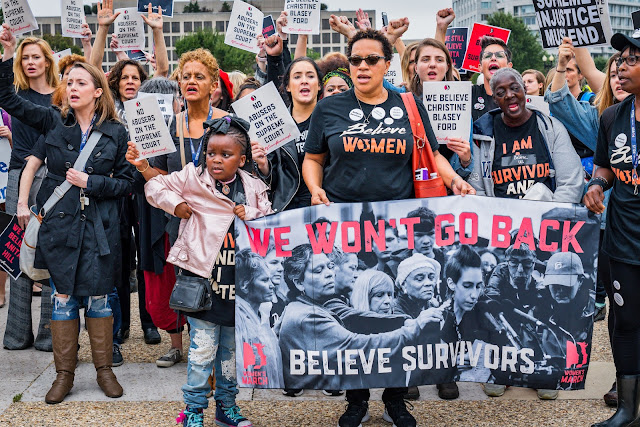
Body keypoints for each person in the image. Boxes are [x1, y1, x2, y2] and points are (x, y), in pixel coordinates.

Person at [0, 35, 132, 402]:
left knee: (100, 299)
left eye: (80, 83)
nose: (72, 88)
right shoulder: (53, 121)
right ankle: (64, 376)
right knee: (62, 298)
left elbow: (127, 183)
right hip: (59, 226)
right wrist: (7, 54)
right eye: (69, 82)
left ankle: (104, 371)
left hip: (101, 228)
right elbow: (8, 99)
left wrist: (93, 182)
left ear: (97, 92)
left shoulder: (116, 132)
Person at [145, 116, 270, 427]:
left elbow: (270, 220)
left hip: (239, 288)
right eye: (211, 153)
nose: (216, 160)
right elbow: (154, 185)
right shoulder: (192, 177)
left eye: (226, 155)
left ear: (242, 159)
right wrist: (176, 205)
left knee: (230, 353)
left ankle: (226, 406)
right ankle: (193, 410)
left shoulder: (254, 186)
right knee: (202, 351)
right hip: (202, 285)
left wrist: (251, 212)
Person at [126, 47, 229, 368]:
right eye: (186, 76)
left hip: (219, 221)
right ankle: (180, 346)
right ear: (179, 83)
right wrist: (143, 165)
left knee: (218, 285)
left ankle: (215, 348)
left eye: (199, 76)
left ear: (213, 85)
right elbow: (159, 176)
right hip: (180, 219)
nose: (192, 81)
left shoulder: (229, 124)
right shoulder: (169, 126)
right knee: (183, 283)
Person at [278, 243, 444, 427]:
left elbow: (352, 317)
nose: (329, 273)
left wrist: (404, 322)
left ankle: (391, 401)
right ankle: (359, 403)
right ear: (299, 282)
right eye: (318, 270)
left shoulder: (310, 303)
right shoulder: (308, 315)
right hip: (321, 377)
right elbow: (357, 346)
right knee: (379, 345)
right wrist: (412, 328)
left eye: (330, 266)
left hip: (329, 372)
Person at [584, 30, 640, 427]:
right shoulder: (612, 117)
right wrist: (596, 184)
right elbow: (605, 166)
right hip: (622, 238)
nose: (620, 66)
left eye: (632, 59)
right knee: (625, 324)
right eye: (620, 59)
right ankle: (627, 411)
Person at [1, 25, 58, 352]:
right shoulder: (15, 94)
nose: (31, 62)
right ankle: (16, 335)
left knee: (50, 252)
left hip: (54, 178)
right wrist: (9, 50)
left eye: (36, 57)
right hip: (19, 174)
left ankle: (50, 337)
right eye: (25, 58)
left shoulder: (62, 95)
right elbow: (2, 91)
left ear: (47, 61)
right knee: (16, 251)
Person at [469, 68, 584, 202]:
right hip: (500, 214)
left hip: (546, 212)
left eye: (515, 88)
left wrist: (551, 212)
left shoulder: (552, 128)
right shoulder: (481, 135)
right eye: (501, 93)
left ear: (524, 89)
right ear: (495, 99)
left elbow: (570, 183)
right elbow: (477, 191)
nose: (509, 95)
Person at [409, 38, 472, 177]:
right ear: (416, 67)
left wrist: (465, 159)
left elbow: (466, 169)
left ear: (447, 67)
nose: (432, 64)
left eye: (439, 60)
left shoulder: (461, 103)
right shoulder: (402, 98)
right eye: (425, 59)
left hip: (448, 184)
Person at [235, 249, 284, 389]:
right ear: (245, 285)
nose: (272, 285)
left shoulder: (261, 316)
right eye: (264, 280)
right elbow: (241, 373)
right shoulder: (239, 319)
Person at [472, 36, 513, 122]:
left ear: (509, 66)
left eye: (499, 55)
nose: (493, 58)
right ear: (480, 67)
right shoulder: (469, 95)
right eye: (487, 56)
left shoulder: (518, 97)